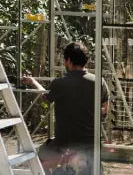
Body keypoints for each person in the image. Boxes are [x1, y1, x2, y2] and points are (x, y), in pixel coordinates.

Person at [22, 42, 109, 174]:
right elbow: (104, 109)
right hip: (91, 143)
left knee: (38, 160)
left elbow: (45, 97)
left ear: (68, 61)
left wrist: (33, 82)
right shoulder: (99, 82)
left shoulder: (59, 83)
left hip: (64, 144)